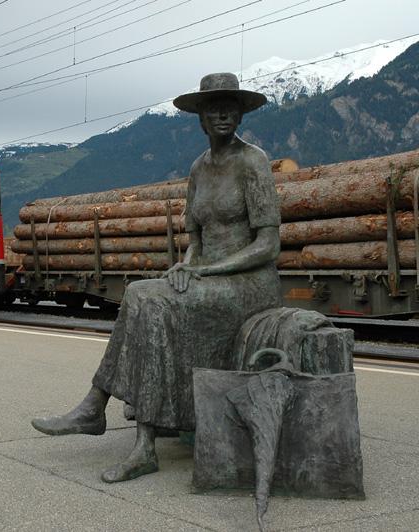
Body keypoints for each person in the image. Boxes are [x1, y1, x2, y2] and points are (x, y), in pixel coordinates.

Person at [31, 72, 282, 483]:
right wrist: (187, 264)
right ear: (200, 117)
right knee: (140, 294)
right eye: (212, 107)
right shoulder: (199, 168)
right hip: (207, 277)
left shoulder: (253, 161)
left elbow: (268, 245)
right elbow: (196, 239)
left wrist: (205, 270)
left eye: (229, 106)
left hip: (249, 284)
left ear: (240, 113)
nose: (222, 113)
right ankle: (130, 434)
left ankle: (104, 413)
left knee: (150, 300)